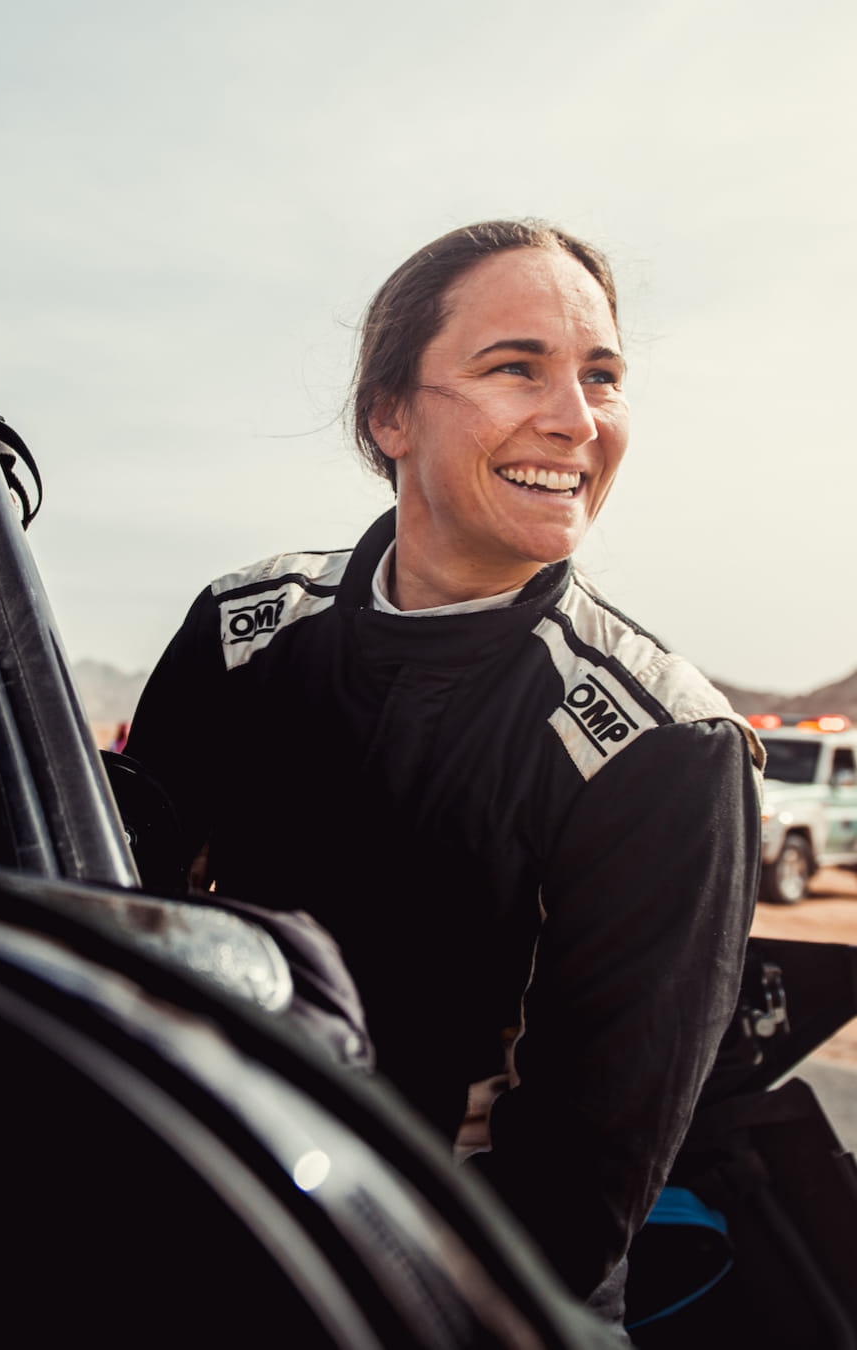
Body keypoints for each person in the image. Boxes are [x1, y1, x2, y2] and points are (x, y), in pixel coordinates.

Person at [123, 220, 763, 1323]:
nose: (575, 420)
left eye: (601, 376)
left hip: (480, 1288)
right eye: (517, 366)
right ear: (389, 414)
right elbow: (117, 911)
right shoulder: (243, 628)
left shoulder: (664, 745)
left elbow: (577, 1190)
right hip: (222, 1199)